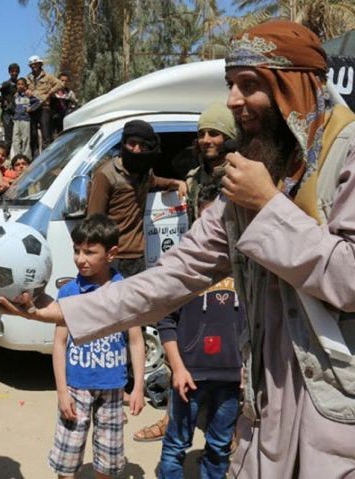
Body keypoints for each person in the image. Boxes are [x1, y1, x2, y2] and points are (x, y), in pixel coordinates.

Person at [0, 20, 355, 478]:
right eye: (232, 85)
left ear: (296, 86)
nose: (233, 101)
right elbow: (177, 273)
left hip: (347, 421)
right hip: (270, 415)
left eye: (248, 86)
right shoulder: (255, 177)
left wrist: (268, 205)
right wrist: (62, 311)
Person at [134, 102, 239, 443]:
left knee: (232, 354)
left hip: (236, 271)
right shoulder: (194, 178)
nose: (207, 139)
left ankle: (234, 429)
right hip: (199, 269)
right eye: (202, 134)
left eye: (215, 133)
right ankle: (174, 419)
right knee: (181, 343)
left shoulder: (241, 173)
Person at [157, 181, 243, 479]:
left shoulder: (247, 268)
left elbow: (260, 327)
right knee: (175, 446)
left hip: (232, 378)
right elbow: (166, 322)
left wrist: (248, 367)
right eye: (208, 221)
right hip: (188, 377)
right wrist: (178, 369)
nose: (216, 231)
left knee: (220, 447)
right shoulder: (184, 268)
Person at [48, 214, 145, 478]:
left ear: (111, 253)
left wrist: (138, 387)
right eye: (77, 251)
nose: (81, 259)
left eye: (90, 252)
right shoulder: (69, 292)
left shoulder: (124, 291)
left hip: (113, 388)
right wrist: (61, 392)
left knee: (108, 458)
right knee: (67, 457)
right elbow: (59, 344)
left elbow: (136, 340)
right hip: (76, 387)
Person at [87, 119, 186, 278]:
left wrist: (176, 183)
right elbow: (93, 221)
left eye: (143, 145)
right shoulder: (106, 175)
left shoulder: (144, 173)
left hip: (139, 257)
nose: (137, 150)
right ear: (124, 143)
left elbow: (156, 181)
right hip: (115, 258)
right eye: (132, 143)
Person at [26, 55, 64, 156]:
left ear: (40, 64)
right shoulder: (28, 78)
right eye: (32, 64)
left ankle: (46, 157)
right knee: (33, 135)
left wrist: (49, 93)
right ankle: (35, 157)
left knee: (46, 135)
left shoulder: (48, 77)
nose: (34, 66)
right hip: (32, 109)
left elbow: (60, 84)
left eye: (35, 64)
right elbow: (21, 87)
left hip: (44, 108)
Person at [0, 62, 20, 153]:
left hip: (18, 114)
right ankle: (5, 157)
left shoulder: (20, 84)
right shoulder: (6, 83)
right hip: (7, 114)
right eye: (12, 71)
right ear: (9, 72)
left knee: (18, 138)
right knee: (8, 139)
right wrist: (1, 100)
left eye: (16, 71)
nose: (14, 73)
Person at [11, 77, 40, 159]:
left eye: (22, 84)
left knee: (25, 139)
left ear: (25, 86)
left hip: (25, 119)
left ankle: (26, 157)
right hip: (16, 120)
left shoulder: (28, 95)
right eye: (18, 84)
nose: (20, 86)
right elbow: (13, 106)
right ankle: (17, 157)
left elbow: (37, 102)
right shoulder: (16, 96)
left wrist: (31, 108)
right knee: (16, 139)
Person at [51, 72, 78, 136]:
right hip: (53, 117)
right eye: (62, 80)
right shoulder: (52, 92)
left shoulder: (69, 93)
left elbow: (75, 102)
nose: (64, 82)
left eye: (66, 81)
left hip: (64, 118)